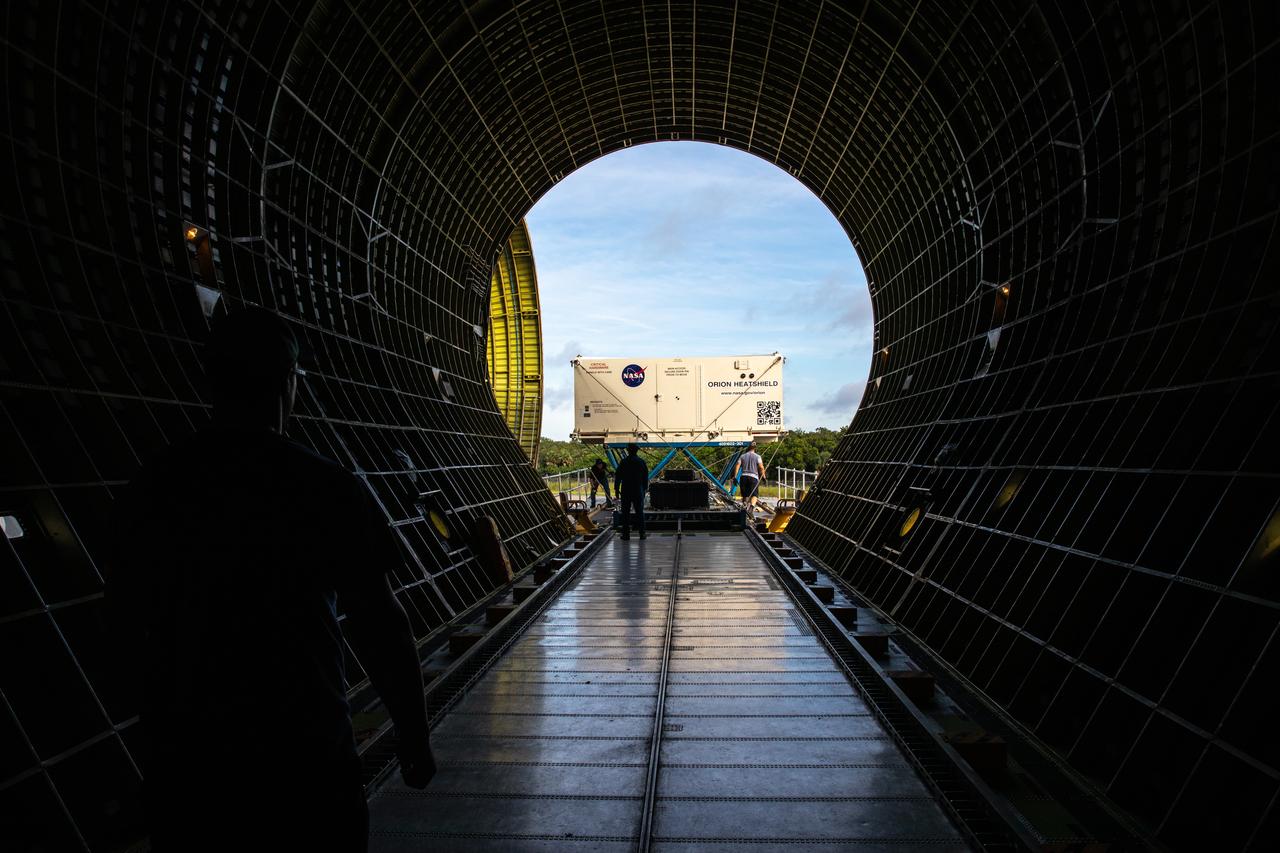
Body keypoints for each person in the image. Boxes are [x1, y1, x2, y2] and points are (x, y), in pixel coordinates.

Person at [108, 307, 434, 853]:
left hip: (192, 763)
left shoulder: (154, 486)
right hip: (305, 757)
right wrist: (413, 734)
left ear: (210, 379)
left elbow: (119, 623)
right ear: (289, 382)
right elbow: (381, 623)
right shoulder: (327, 488)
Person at [613, 443, 649, 540]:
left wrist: (616, 489)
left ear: (628, 451)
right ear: (636, 451)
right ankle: (642, 534)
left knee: (625, 513)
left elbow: (618, 477)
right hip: (638, 490)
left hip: (626, 490)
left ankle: (626, 535)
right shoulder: (641, 462)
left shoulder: (624, 462)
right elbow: (645, 478)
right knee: (639, 512)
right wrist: (645, 489)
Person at [734, 442, 767, 516]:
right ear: (755, 448)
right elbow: (761, 467)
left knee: (745, 495)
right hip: (753, 477)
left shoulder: (742, 456)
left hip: (744, 477)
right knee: (754, 495)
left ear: (748, 448)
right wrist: (764, 477)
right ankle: (751, 508)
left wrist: (735, 476)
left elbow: (737, 465)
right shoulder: (757, 456)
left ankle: (745, 506)